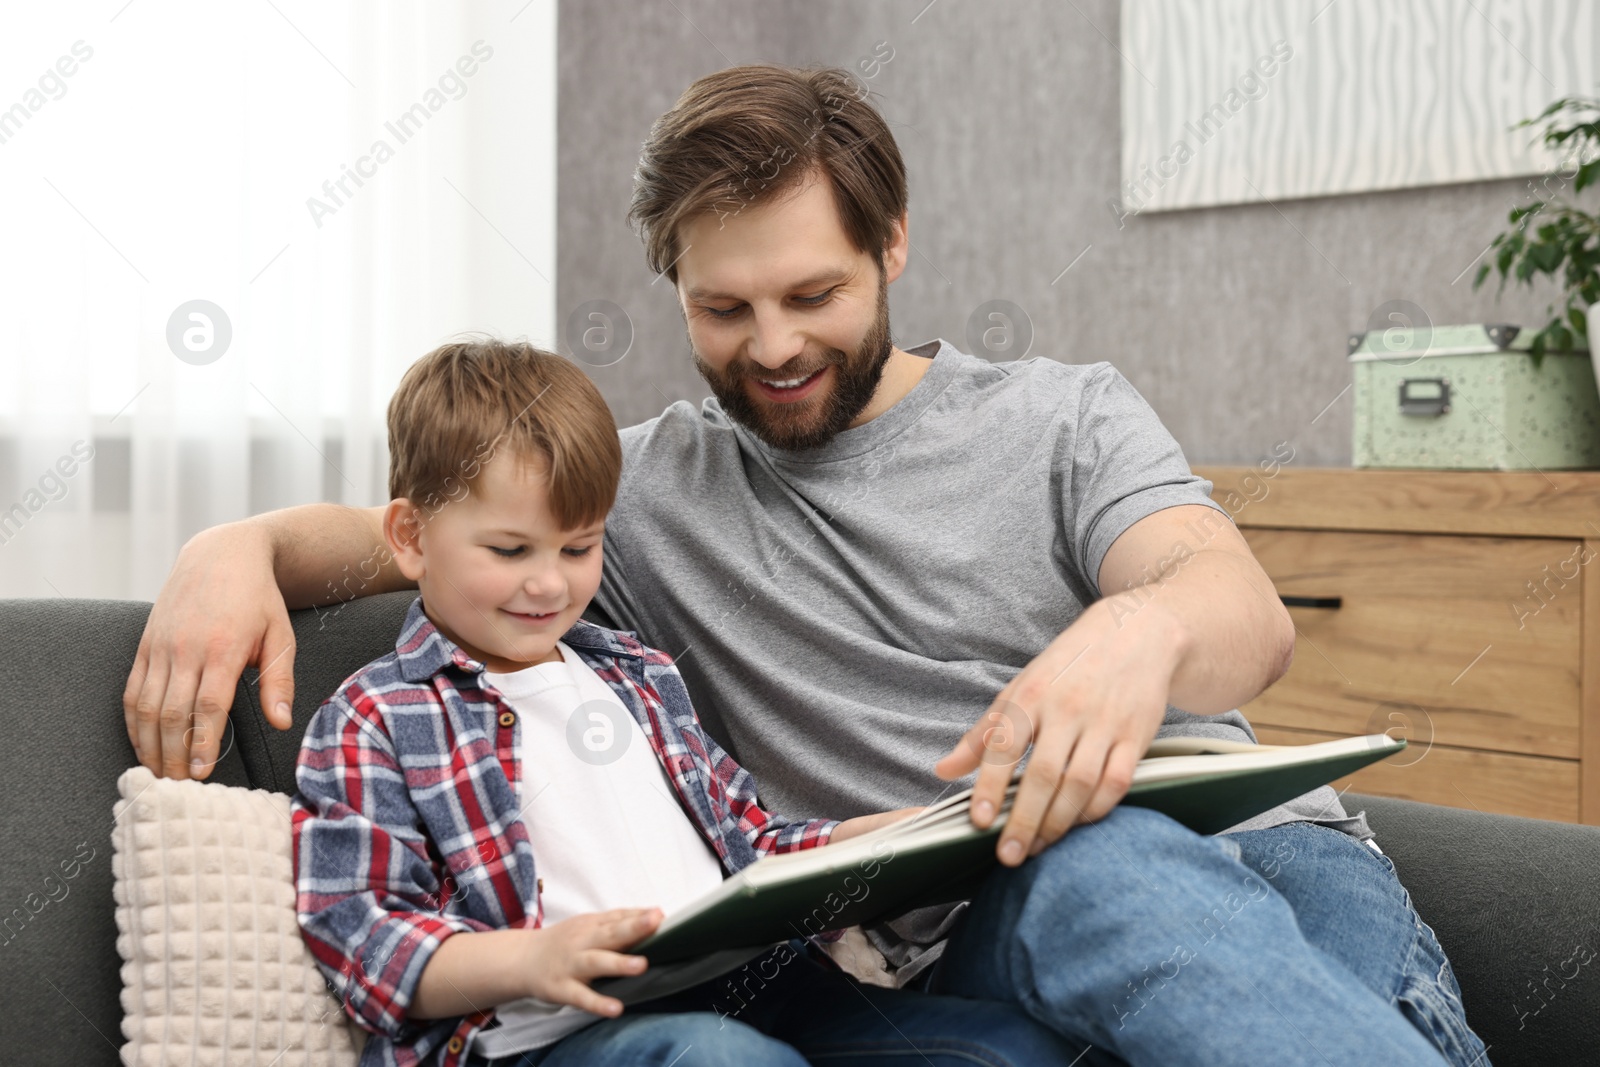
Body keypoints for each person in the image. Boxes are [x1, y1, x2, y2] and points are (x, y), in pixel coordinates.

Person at [127, 64, 1489, 1066]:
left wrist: (1136, 634)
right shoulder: (639, 493)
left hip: (1247, 873)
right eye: (723, 308)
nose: (771, 344)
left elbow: (1239, 612)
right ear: (674, 286)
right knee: (1066, 889)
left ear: (890, 248)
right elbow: (408, 535)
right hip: (958, 944)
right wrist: (228, 544)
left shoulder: (1063, 414)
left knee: (1109, 856)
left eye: (813, 294)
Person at [293, 338, 1080, 1067]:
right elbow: (363, 934)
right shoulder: (379, 715)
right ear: (410, 535)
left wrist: (901, 835)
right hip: (562, 1034)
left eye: (579, 547)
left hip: (765, 989)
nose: (550, 582)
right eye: (509, 550)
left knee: (1007, 1048)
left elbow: (752, 844)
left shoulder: (636, 673)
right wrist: (531, 958)